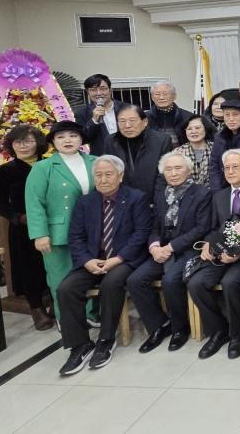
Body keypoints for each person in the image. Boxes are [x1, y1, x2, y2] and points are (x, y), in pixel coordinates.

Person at [57, 155, 150, 375]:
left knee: (111, 283)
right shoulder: (85, 202)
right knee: (66, 289)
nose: (103, 179)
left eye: (108, 174)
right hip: (92, 260)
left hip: (123, 259)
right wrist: (87, 261)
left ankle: (106, 340)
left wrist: (117, 259)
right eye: (98, 175)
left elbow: (141, 234)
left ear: (120, 176)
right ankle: (79, 344)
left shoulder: (136, 198)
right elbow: (76, 237)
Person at [127, 152, 212, 353]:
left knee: (170, 280)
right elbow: (154, 225)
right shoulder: (160, 194)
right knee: (135, 280)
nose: (173, 173)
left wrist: (171, 247)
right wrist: (154, 246)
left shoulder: (202, 193)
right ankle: (159, 325)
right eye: (168, 169)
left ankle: (179, 328)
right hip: (162, 249)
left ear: (189, 170)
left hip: (190, 249)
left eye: (178, 168)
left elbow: (201, 228)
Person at [188, 149, 240, 360]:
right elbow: (212, 227)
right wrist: (207, 245)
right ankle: (218, 331)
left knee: (231, 282)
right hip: (219, 252)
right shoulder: (219, 196)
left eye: (235, 167)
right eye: (227, 168)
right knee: (196, 283)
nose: (230, 171)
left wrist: (239, 254)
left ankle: (237, 334)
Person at [25, 121, 97, 320]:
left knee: (91, 276)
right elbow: (34, 203)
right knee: (61, 279)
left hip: (92, 230)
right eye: (61, 137)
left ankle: (91, 315)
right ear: (53, 142)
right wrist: (40, 234)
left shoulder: (95, 161)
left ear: (81, 139)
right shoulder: (43, 167)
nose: (67, 140)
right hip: (58, 233)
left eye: (73, 135)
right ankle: (66, 320)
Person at [0, 125, 55, 330]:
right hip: (23, 227)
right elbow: (0, 202)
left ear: (38, 143)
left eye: (28, 141)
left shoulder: (51, 165)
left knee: (53, 264)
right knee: (29, 268)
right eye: (18, 142)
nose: (23, 146)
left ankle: (56, 303)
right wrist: (18, 218)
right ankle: (36, 309)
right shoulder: (5, 171)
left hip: (52, 224)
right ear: (11, 146)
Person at [104, 105, 172, 202]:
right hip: (122, 199)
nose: (127, 125)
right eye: (122, 121)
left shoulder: (161, 140)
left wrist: (158, 201)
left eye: (132, 120)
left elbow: (163, 175)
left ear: (145, 122)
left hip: (152, 199)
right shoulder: (111, 141)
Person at [74, 74, 127, 157]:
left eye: (103, 89)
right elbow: (82, 139)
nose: (99, 93)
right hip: (102, 160)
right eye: (93, 90)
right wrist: (94, 120)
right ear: (88, 92)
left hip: (128, 158)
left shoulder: (127, 108)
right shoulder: (82, 113)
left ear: (110, 90)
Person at [145, 80, 194, 149]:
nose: (161, 97)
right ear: (152, 98)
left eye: (165, 94)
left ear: (174, 96)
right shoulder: (143, 118)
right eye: (157, 94)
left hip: (182, 156)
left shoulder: (188, 117)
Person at [174, 115, 215, 188]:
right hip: (185, 194)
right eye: (189, 129)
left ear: (205, 129)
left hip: (212, 193)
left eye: (197, 128)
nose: (193, 131)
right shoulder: (177, 152)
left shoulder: (215, 149)